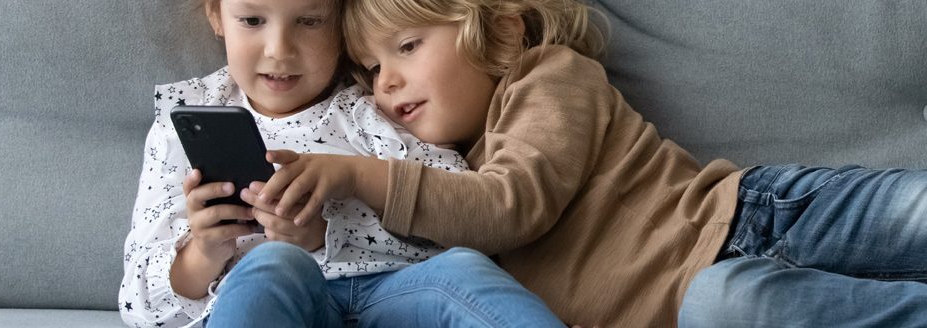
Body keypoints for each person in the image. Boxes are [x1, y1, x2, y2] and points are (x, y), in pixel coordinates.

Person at [255, 0, 927, 327]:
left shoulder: (548, 78)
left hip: (752, 217)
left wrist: (359, 176)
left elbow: (512, 204)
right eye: (371, 70)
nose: (386, 84)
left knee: (912, 214)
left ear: (502, 29)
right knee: (727, 305)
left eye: (406, 47)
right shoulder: (434, 180)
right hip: (704, 306)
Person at [119, 0, 565, 327]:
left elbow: (461, 218)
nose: (279, 50)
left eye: (310, 21)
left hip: (389, 296)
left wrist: (326, 234)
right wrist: (202, 254)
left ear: (340, 25)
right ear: (217, 16)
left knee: (461, 270)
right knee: (273, 264)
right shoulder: (183, 122)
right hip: (278, 303)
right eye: (252, 20)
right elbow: (138, 306)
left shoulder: (376, 106)